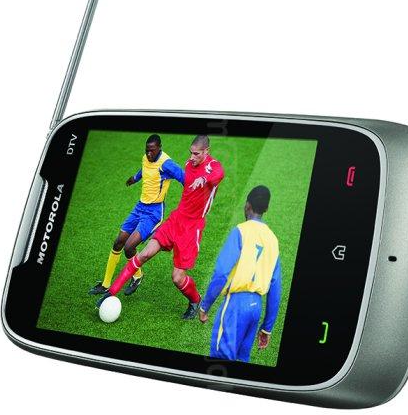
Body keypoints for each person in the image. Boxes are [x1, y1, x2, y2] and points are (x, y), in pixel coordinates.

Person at [98, 134, 225, 319]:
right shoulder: (189, 164)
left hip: (192, 227)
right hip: (176, 219)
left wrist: (204, 179)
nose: (191, 157)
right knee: (144, 254)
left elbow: (218, 175)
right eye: (190, 153)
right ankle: (111, 291)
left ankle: (195, 300)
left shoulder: (213, 166)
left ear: (207, 151)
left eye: (196, 154)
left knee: (177, 278)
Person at [89, 134, 184, 296]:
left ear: (159, 148)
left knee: (129, 247)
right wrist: (135, 178)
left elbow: (185, 178)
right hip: (139, 207)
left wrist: (191, 201)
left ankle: (137, 276)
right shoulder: (146, 158)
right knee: (118, 242)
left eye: (152, 151)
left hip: (154, 213)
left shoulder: (167, 164)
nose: (149, 154)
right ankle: (106, 284)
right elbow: (145, 169)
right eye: (147, 150)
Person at [199, 185, 281, 362]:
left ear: (247, 205)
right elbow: (275, 289)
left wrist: (205, 306)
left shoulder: (240, 231)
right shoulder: (273, 240)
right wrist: (267, 328)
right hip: (255, 308)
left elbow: (221, 273)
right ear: (266, 208)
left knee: (220, 360)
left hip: (235, 306)